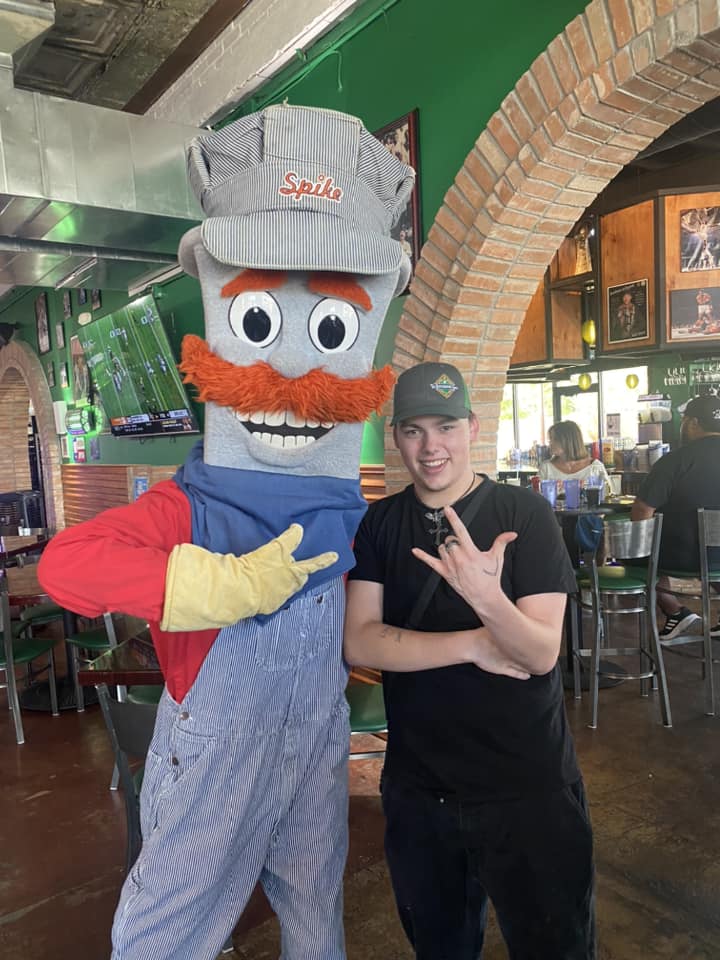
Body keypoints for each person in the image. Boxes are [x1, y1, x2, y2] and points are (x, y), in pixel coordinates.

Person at [38, 104, 415, 960]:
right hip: (210, 764)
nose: (292, 374)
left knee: (317, 919)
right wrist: (207, 585)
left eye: (329, 331)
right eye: (258, 324)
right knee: (166, 938)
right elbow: (69, 565)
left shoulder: (350, 514)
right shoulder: (192, 507)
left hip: (315, 751)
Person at [344, 361, 595, 960]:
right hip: (420, 791)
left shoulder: (522, 516)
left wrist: (487, 600)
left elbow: (539, 654)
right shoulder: (380, 523)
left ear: (473, 428)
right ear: (396, 435)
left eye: (446, 426)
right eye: (413, 430)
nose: (431, 447)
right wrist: (474, 643)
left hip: (527, 788)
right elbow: (360, 641)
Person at [631, 394, 720, 640]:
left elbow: (642, 511)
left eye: (683, 421)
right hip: (714, 558)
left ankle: (675, 613)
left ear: (693, 423)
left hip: (685, 557)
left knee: (634, 553)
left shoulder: (675, 460)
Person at [539, 420, 610, 497]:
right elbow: (537, 498)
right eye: (550, 440)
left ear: (568, 441)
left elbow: (608, 496)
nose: (550, 443)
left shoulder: (595, 467)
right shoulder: (546, 468)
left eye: (554, 439)